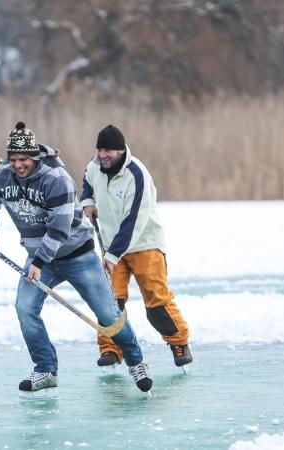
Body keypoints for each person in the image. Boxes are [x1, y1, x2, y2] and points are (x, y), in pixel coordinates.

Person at [0, 122, 153, 394]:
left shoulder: (56, 179)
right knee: (25, 309)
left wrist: (37, 263)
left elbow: (59, 229)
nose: (18, 165)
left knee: (107, 313)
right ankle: (45, 369)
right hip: (39, 257)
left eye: (23, 159)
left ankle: (136, 361)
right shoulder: (2, 177)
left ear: (35, 157)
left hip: (77, 254)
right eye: (13, 159)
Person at [80, 124, 193, 368]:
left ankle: (179, 342)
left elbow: (134, 222)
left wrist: (111, 256)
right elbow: (87, 180)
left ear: (121, 151)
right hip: (112, 247)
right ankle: (111, 349)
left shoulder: (137, 174)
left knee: (156, 302)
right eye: (99, 149)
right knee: (110, 302)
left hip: (145, 244)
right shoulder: (95, 166)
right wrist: (87, 201)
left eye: (108, 150)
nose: (102, 155)